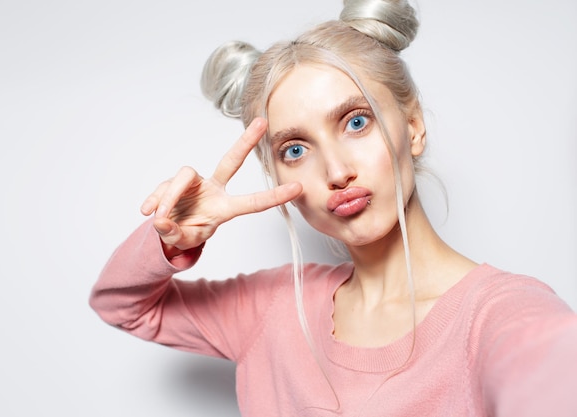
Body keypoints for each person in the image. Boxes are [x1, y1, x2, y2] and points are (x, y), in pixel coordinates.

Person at [89, 0, 577, 415]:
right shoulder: (273, 307)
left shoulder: (502, 315)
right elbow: (121, 306)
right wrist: (169, 238)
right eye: (295, 150)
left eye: (356, 121)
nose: (336, 170)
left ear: (413, 127)